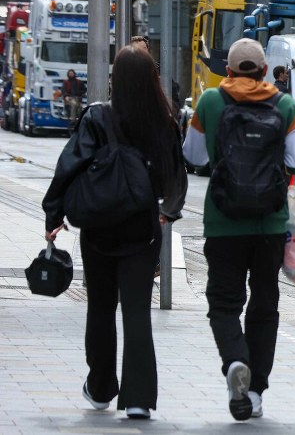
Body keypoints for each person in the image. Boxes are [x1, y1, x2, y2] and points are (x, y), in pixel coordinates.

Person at [42, 44, 187, 420]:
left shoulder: (96, 118)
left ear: (115, 79)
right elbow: (176, 175)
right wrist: (167, 213)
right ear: (152, 79)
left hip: (99, 228)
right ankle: (138, 398)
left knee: (101, 308)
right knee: (137, 310)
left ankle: (101, 386)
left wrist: (53, 215)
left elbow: (69, 166)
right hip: (142, 228)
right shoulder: (164, 120)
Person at [182, 38, 295, 421]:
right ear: (266, 72)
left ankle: (236, 361)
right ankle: (254, 392)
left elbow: (193, 156)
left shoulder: (209, 101)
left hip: (223, 223)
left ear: (230, 71)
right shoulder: (286, 105)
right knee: (264, 304)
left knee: (223, 304)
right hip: (270, 223)